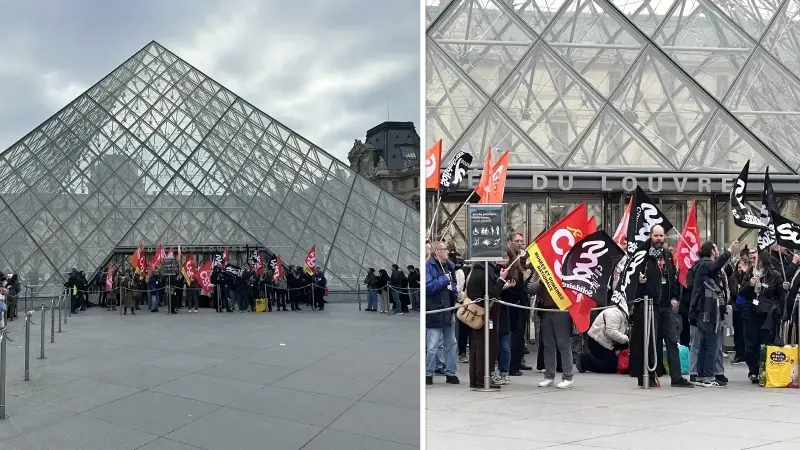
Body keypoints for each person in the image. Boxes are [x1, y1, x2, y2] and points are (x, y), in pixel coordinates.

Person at [634, 225, 693, 388]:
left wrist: (675, 297)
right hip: (649, 305)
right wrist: (639, 283)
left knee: (672, 341)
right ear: (651, 236)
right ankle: (650, 375)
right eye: (656, 235)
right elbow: (632, 279)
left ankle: (677, 377)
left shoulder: (667, 255)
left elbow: (673, 277)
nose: (659, 238)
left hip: (666, 306)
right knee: (652, 342)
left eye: (661, 236)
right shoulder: (643, 255)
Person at [689, 240, 738, 387]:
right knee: (710, 345)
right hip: (708, 312)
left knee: (705, 344)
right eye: (716, 249)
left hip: (706, 311)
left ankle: (702, 375)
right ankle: (708, 376)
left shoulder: (701, 265)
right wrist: (729, 251)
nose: (717, 252)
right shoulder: (705, 264)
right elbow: (715, 266)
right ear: (711, 251)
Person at [737, 248, 787, 383]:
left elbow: (781, 296)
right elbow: (741, 294)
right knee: (750, 344)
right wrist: (749, 285)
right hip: (751, 314)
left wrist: (781, 312)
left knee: (766, 343)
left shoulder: (775, 275)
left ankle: (765, 370)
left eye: (755, 258)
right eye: (751, 258)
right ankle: (753, 370)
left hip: (767, 315)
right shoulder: (749, 274)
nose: (752, 261)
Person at [464, 257, 511, 389]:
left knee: (476, 347)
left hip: (478, 314)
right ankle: (482, 379)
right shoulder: (485, 273)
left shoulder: (477, 271)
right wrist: (501, 279)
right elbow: (491, 294)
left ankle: (475, 379)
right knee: (486, 347)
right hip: (486, 315)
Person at [425, 241, 459, 385]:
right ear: (437, 251)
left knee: (451, 344)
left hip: (448, 309)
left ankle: (451, 373)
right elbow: (428, 287)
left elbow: (454, 284)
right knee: (432, 346)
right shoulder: (429, 266)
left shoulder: (449, 266)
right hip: (435, 310)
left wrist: (456, 292)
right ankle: (428, 373)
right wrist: (444, 279)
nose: (448, 252)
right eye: (445, 249)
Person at [579, 306, 629, 373]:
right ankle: (584, 361)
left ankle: (587, 360)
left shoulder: (622, 315)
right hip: (597, 341)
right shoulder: (614, 313)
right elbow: (611, 332)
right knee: (611, 367)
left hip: (605, 343)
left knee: (616, 364)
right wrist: (626, 339)